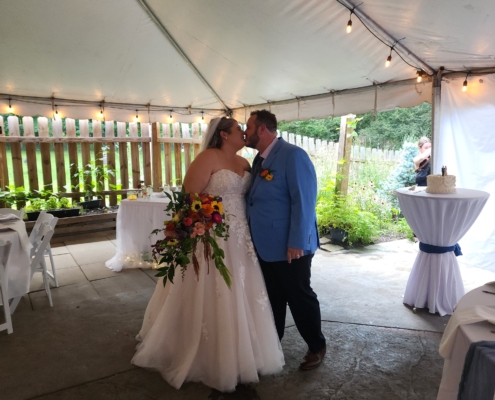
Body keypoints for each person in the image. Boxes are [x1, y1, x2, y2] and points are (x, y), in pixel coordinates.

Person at [132, 117, 284, 392]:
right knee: (214, 289)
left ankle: (245, 350)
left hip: (243, 237)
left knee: (244, 288)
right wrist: (203, 221)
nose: (244, 133)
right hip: (213, 236)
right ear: (224, 135)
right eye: (240, 129)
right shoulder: (207, 158)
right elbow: (189, 197)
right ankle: (206, 353)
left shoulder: (245, 163)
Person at [244, 110, 326, 371]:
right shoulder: (259, 159)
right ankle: (273, 344)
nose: (244, 132)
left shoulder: (293, 156)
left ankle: (317, 346)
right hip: (265, 244)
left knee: (299, 296)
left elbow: (304, 201)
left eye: (247, 127)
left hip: (291, 246)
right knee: (272, 298)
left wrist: (297, 241)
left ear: (261, 130)